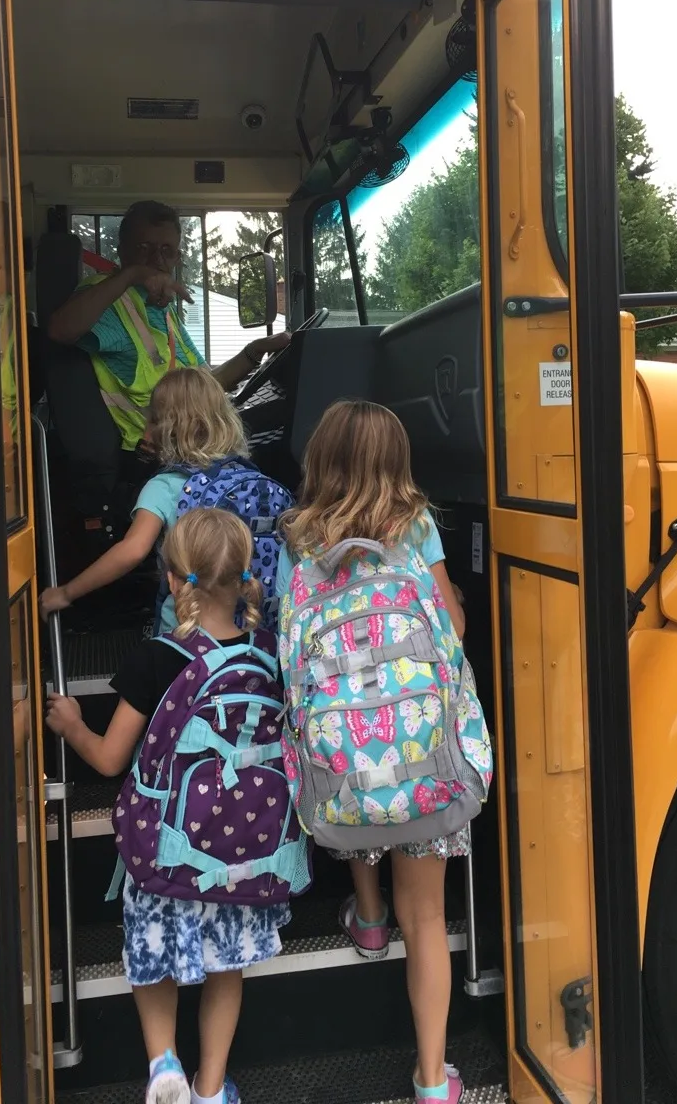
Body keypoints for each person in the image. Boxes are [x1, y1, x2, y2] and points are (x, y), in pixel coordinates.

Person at [46, 509, 294, 1104]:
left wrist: (73, 724)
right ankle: (211, 1088)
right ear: (243, 574)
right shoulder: (269, 655)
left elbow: (109, 760)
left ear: (173, 578)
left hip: (167, 849)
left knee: (153, 959)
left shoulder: (153, 660)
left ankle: (163, 1065)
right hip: (246, 853)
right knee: (226, 968)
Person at [276, 399, 468, 1104]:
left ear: (320, 461)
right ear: (398, 463)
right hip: (421, 754)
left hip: (345, 760)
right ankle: (431, 1079)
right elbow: (448, 623)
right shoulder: (415, 529)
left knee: (356, 761)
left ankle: (366, 917)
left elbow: (289, 645)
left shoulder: (297, 540)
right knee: (428, 916)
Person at [46, 200, 290, 477]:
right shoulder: (109, 299)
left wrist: (254, 352)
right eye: (144, 248)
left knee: (277, 420)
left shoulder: (159, 305)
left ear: (176, 257)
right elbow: (59, 330)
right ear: (122, 249)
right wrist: (132, 275)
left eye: (166, 250)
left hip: (189, 441)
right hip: (153, 455)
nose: (157, 260)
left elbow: (206, 382)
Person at [38, 366, 290, 632]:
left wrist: (66, 592)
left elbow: (132, 551)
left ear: (165, 429)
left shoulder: (166, 486)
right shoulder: (249, 477)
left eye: (152, 420)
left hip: (186, 636)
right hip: (254, 631)